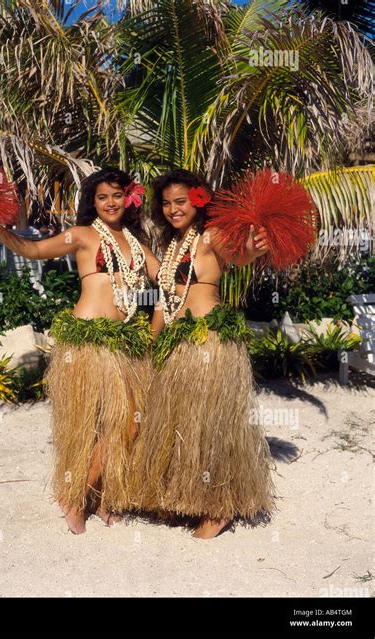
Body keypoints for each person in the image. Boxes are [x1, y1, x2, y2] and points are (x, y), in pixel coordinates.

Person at [0, 167, 161, 534]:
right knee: (90, 424)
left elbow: (168, 278)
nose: (110, 203)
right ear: (93, 203)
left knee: (128, 423)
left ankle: (102, 495)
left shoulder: (138, 245)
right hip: (86, 339)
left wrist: (221, 248)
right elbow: (35, 249)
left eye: (116, 195)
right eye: (101, 197)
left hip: (123, 342)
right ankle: (78, 497)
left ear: (128, 199)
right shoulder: (84, 236)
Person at [128, 169, 276, 539]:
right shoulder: (174, 245)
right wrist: (151, 340)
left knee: (211, 425)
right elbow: (163, 300)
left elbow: (237, 254)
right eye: (165, 203)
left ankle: (220, 506)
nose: (172, 209)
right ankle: (188, 497)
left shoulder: (210, 236)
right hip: (177, 343)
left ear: (197, 200)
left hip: (209, 341)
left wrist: (251, 250)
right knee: (180, 425)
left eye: (180, 202)